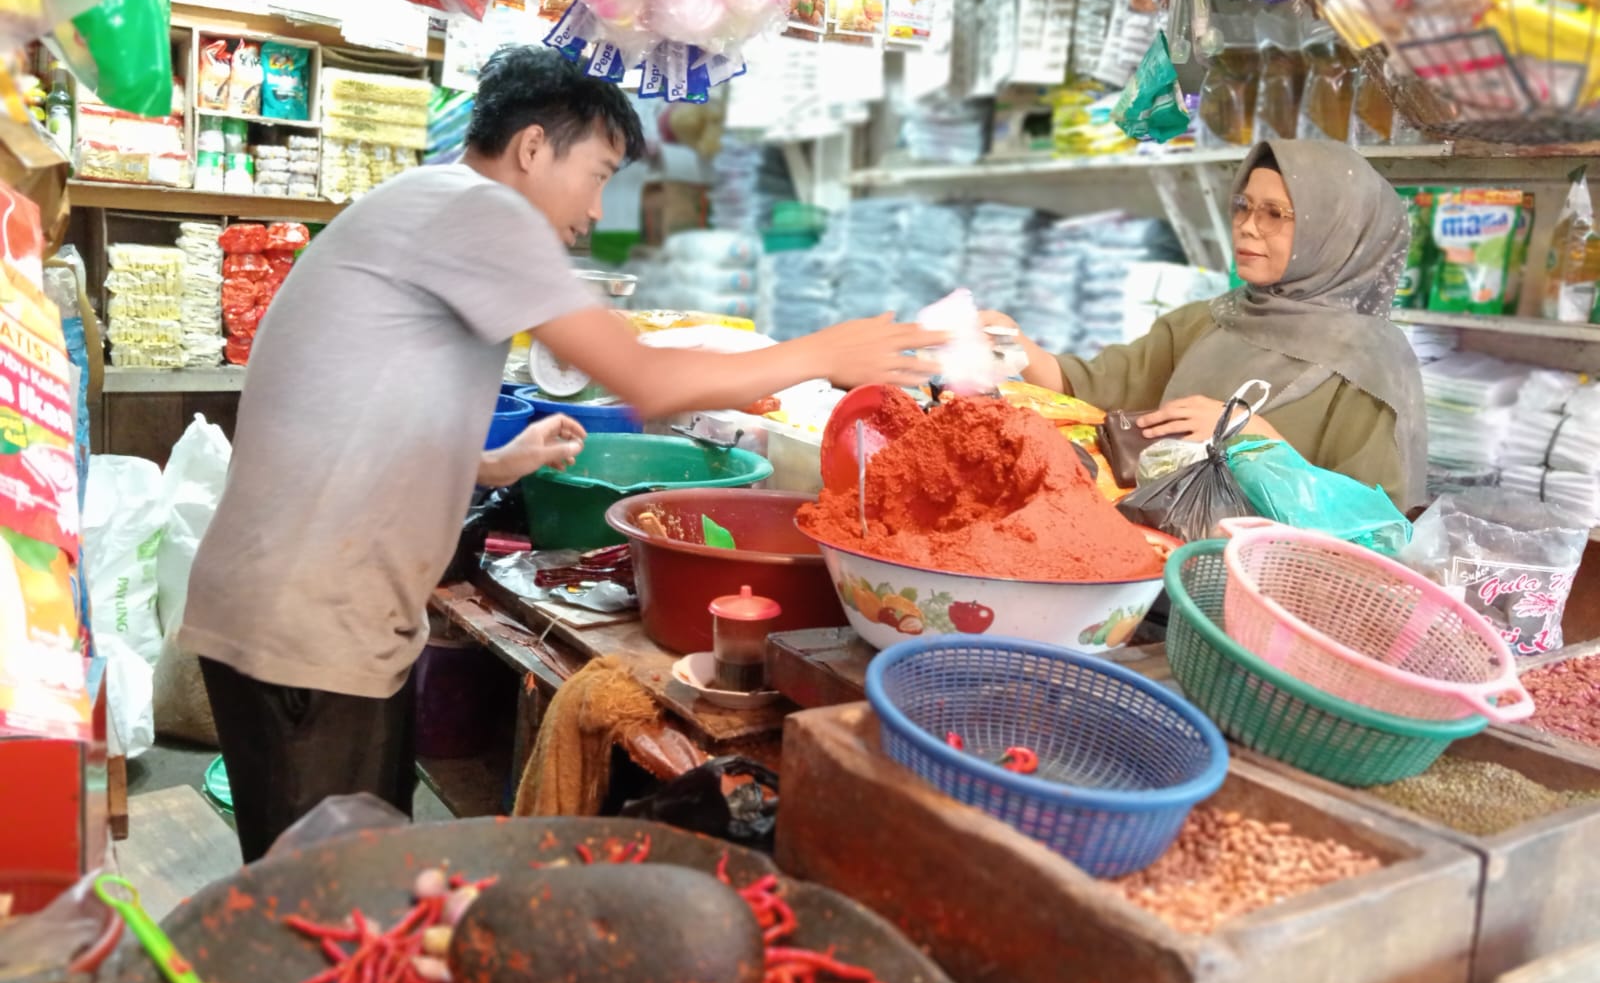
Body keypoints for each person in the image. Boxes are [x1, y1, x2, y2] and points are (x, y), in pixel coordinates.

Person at [179, 46, 943, 862]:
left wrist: (500, 461)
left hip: (304, 616)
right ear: (533, 148)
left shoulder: (428, 206)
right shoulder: (481, 209)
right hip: (312, 631)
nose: (597, 209)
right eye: (600, 172)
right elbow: (645, 377)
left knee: (342, 891)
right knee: (327, 915)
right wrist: (824, 352)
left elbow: (359, 410)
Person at [988, 139, 1426, 508]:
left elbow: (1376, 522)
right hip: (1157, 563)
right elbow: (1087, 390)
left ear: (1336, 232)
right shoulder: (1211, 322)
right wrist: (1015, 345)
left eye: (1275, 214)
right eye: (1243, 206)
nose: (1248, 228)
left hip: (1266, 585)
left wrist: (1254, 440)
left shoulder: (1369, 366)